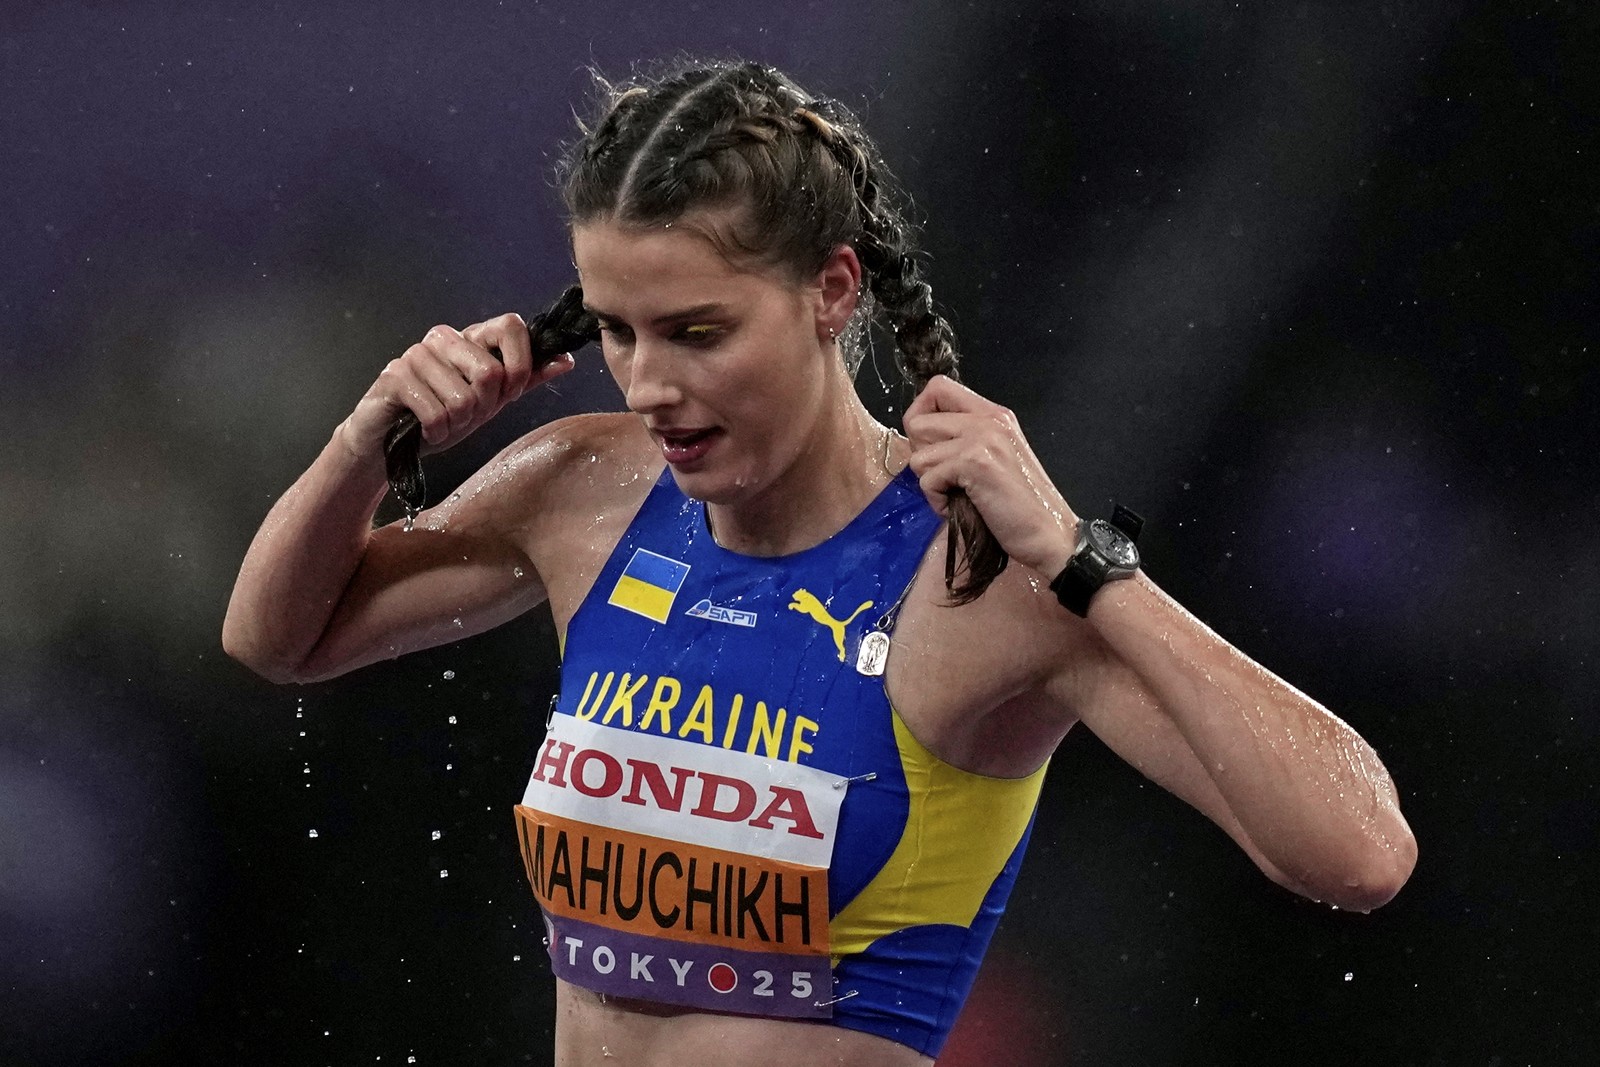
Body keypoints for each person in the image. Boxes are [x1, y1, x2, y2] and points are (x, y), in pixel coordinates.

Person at [223, 59, 1416, 1067]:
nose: (649, 385)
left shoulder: (981, 577)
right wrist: (364, 440)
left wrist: (1083, 562)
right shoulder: (582, 491)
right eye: (619, 328)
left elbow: (1359, 853)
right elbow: (278, 638)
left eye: (698, 332)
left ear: (831, 290)